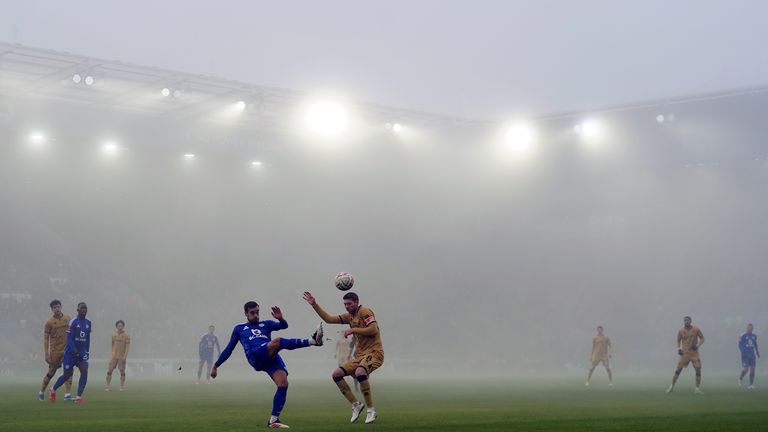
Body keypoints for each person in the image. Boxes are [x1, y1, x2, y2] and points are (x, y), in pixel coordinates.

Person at [211, 301, 324, 428]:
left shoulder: (266, 324)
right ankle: (313, 341)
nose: (255, 315)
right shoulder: (239, 329)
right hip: (255, 356)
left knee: (283, 383)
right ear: (246, 314)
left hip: (270, 356)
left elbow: (284, 326)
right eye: (252, 313)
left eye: (257, 312)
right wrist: (216, 365)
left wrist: (281, 318)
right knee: (278, 341)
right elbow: (229, 349)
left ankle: (273, 420)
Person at [303, 291, 383, 424]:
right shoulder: (349, 317)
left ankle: (371, 410)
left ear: (356, 302)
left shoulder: (365, 311)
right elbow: (329, 319)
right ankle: (355, 404)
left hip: (375, 352)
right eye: (345, 304)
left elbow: (373, 329)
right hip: (360, 355)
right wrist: (314, 304)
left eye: (349, 304)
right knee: (336, 374)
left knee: (360, 372)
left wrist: (354, 330)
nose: (347, 306)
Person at [50, 302, 92, 404]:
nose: (84, 310)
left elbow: (87, 339)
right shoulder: (73, 322)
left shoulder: (88, 323)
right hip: (70, 353)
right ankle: (53, 389)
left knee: (84, 371)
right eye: (82, 308)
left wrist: (87, 351)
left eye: (85, 308)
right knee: (67, 375)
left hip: (82, 354)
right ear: (77, 310)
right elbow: (69, 339)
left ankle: (78, 397)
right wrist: (75, 351)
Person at [39, 300, 73, 401]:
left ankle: (67, 394)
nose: (57, 309)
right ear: (52, 309)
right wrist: (46, 354)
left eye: (58, 307)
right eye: (54, 307)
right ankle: (41, 391)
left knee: (69, 371)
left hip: (67, 350)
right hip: (55, 351)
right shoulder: (49, 322)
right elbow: (46, 339)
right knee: (51, 372)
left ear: (61, 307)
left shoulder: (68, 318)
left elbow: (72, 333)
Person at [666, 316, 705, 394]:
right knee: (678, 370)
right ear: (683, 322)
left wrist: (697, 345)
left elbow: (702, 338)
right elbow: (678, 340)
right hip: (685, 353)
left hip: (694, 354)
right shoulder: (681, 331)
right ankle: (671, 386)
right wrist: (678, 349)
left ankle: (697, 388)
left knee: (698, 370)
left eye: (688, 320)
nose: (686, 322)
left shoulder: (696, 329)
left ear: (690, 321)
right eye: (685, 321)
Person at [105, 320, 131, 392]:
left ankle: (121, 386)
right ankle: (107, 386)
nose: (120, 327)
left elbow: (127, 347)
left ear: (123, 326)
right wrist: (112, 354)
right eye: (118, 326)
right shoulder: (113, 335)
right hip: (113, 356)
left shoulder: (126, 336)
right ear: (116, 326)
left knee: (122, 371)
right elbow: (112, 345)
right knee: (109, 370)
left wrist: (125, 357)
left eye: (121, 326)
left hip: (121, 356)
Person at [738, 323, 760, 389]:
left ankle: (750, 384)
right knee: (746, 369)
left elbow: (755, 344)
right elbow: (739, 344)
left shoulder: (754, 336)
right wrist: (742, 351)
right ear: (747, 328)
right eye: (749, 327)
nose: (750, 329)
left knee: (753, 369)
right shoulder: (742, 335)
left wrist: (757, 352)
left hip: (752, 354)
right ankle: (740, 378)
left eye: (751, 328)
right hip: (745, 354)